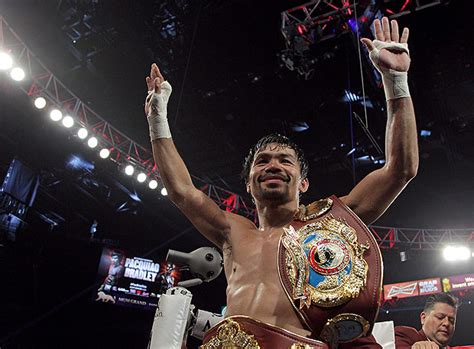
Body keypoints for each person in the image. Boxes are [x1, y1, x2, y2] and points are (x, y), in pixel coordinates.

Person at [144, 17, 418, 348]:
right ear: (248, 183)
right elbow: (182, 191)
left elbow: (400, 169)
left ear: (303, 183)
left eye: (284, 161)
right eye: (263, 161)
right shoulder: (232, 231)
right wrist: (158, 119)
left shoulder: (333, 223)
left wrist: (396, 80)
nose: (273, 165)